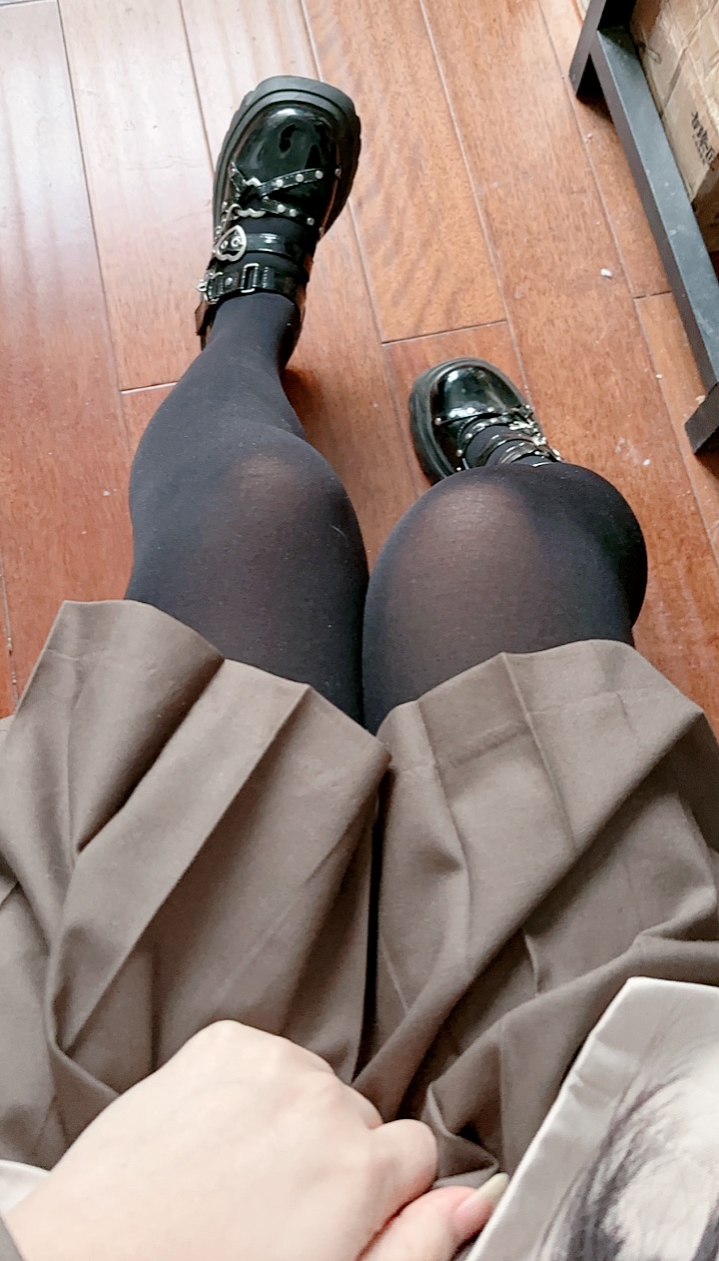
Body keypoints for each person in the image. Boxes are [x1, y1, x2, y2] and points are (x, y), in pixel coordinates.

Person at [1, 76, 719, 1261]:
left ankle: (245, 316)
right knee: (494, 538)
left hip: (63, 1148)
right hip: (623, 1173)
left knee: (257, 510)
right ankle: (524, 489)